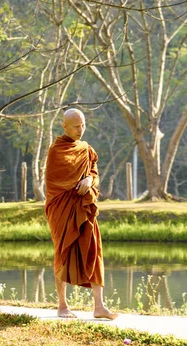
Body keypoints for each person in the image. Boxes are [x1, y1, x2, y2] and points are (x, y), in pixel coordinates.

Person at [45, 108, 117, 320]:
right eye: (76, 126)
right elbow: (54, 181)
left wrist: (89, 181)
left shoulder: (87, 149)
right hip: (62, 207)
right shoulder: (56, 150)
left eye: (83, 125)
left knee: (93, 249)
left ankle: (99, 306)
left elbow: (94, 174)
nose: (80, 130)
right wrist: (77, 184)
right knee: (63, 250)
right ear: (64, 126)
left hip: (85, 207)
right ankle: (62, 305)